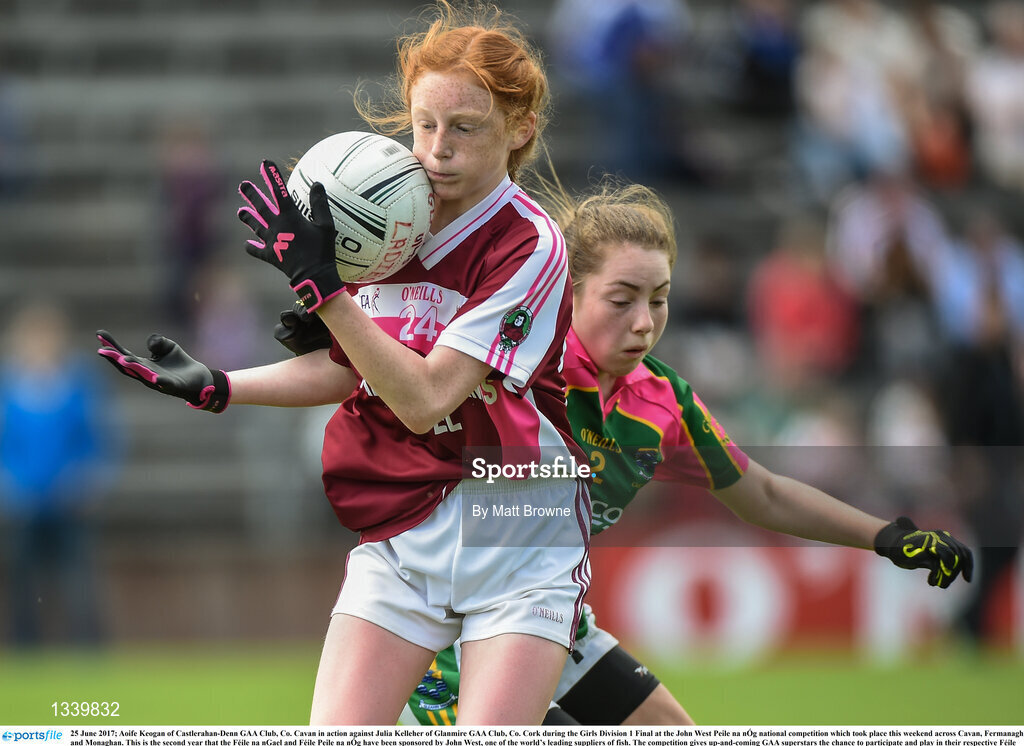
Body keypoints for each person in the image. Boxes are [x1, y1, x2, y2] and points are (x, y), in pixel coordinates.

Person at [275, 178, 974, 725]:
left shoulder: (661, 402)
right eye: (621, 299)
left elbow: (759, 492)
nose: (644, 323)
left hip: (556, 630)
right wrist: (343, 336)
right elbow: (407, 374)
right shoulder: (506, 364)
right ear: (564, 293)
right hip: (451, 641)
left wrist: (886, 535)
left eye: (660, 300)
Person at [94, 1, 590, 725]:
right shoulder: (384, 222)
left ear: (521, 131)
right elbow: (355, 369)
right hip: (402, 533)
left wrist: (327, 294)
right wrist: (221, 387)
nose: (437, 149)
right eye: (425, 124)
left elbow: (423, 398)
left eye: (466, 127)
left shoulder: (529, 245)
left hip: (517, 541)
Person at [1, 301, 118, 647]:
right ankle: (26, 650)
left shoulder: (78, 384)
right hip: (24, 502)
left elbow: (97, 440)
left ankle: (87, 649)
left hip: (69, 502)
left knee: (78, 581)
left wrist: (87, 479)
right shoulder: (10, 388)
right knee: (23, 582)